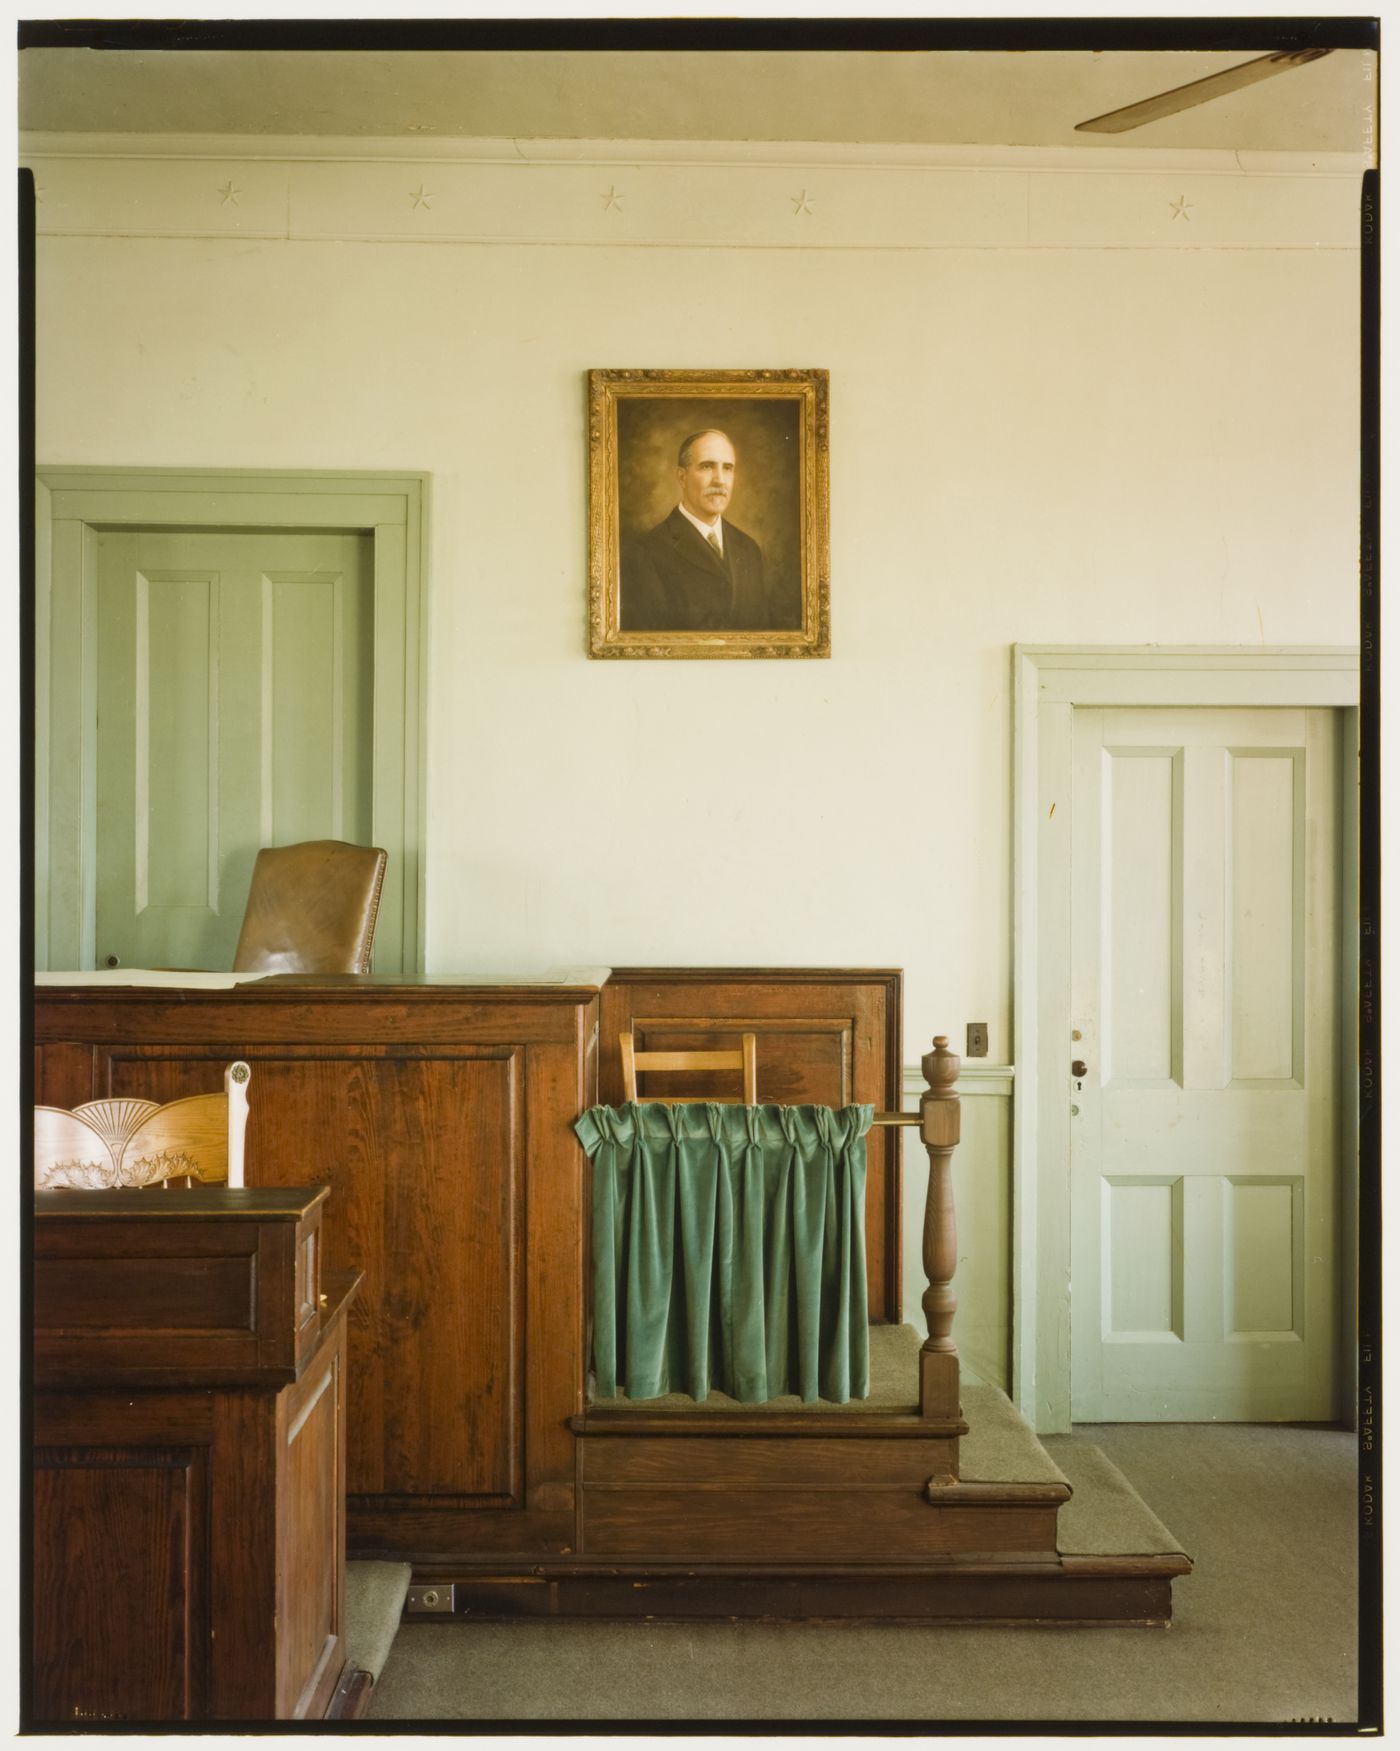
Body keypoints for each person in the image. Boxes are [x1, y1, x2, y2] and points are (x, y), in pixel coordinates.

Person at [620, 429, 778, 632]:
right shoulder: (645, 553)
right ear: (682, 477)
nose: (719, 480)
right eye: (706, 466)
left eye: (727, 468)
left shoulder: (749, 550)